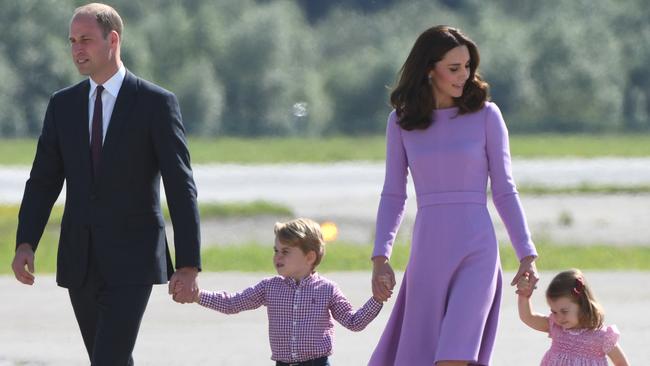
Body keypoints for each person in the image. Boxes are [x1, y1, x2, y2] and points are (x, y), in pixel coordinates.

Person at [10, 3, 201, 365]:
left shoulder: (155, 104)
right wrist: (25, 242)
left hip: (134, 259)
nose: (76, 49)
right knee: (108, 358)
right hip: (80, 259)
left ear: (112, 40)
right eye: (71, 41)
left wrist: (188, 264)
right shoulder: (62, 105)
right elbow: (43, 181)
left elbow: (181, 186)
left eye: (85, 40)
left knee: (108, 359)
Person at [368, 25, 539, 366]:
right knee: (422, 354)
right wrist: (380, 257)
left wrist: (526, 254)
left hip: (477, 249)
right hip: (428, 251)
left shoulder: (487, 116)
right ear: (429, 69)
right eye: (454, 68)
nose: (464, 75)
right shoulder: (401, 122)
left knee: (456, 354)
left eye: (467, 67)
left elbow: (505, 190)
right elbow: (393, 194)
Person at [189, 218, 383, 366]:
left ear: (309, 257)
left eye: (286, 252)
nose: (277, 257)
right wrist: (197, 295)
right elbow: (232, 303)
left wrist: (377, 299)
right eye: (276, 250)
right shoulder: (269, 287)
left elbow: (354, 322)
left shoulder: (327, 289)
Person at [517, 269, 629, 365]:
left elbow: (621, 363)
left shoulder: (602, 336)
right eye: (554, 312)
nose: (559, 318)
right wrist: (524, 296)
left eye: (564, 311)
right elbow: (528, 317)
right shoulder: (555, 326)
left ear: (582, 304)